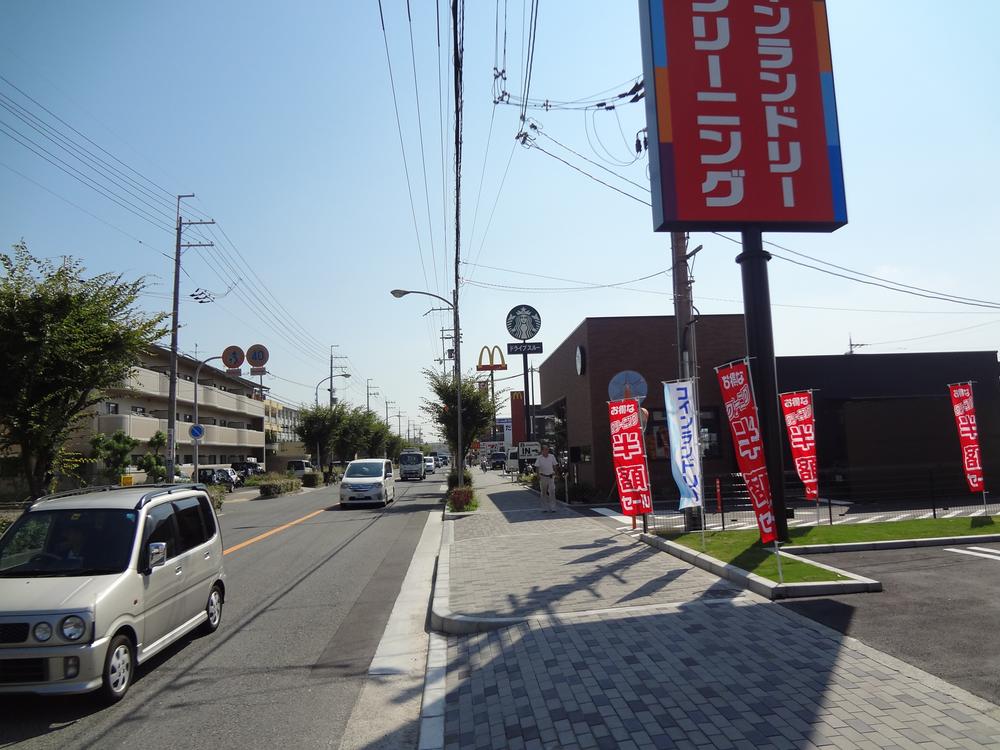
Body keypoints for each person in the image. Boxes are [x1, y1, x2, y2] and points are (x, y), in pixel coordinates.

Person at [534, 444, 560, 513]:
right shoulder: (539, 458)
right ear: (542, 451)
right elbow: (537, 467)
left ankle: (553, 507)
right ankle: (544, 507)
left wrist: (556, 473)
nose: (546, 451)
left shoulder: (552, 456)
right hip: (543, 476)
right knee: (543, 492)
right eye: (545, 449)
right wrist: (538, 475)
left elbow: (555, 465)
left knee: (552, 492)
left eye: (547, 449)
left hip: (551, 476)